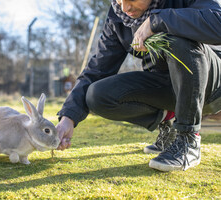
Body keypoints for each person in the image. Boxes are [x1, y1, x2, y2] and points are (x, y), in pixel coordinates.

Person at [56, 0, 221, 172]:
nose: (125, 8)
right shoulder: (118, 18)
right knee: (97, 95)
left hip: (211, 82)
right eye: (119, 0)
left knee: (175, 36)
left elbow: (218, 21)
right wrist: (69, 117)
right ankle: (169, 121)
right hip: (169, 86)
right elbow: (96, 70)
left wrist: (156, 20)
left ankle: (188, 139)